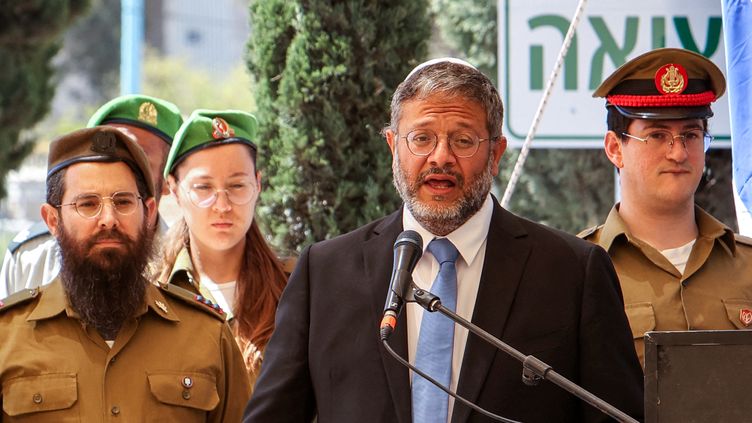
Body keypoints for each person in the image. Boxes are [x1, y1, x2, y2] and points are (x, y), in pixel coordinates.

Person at [243, 58, 643, 422]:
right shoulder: (324, 272)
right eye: (421, 138)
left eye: (463, 140)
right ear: (392, 147)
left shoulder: (571, 272)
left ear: (496, 153)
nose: (440, 157)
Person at [0, 126, 250, 421]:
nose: (108, 219)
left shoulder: (207, 335)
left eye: (123, 202)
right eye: (88, 204)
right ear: (53, 220)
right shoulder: (7, 338)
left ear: (149, 213)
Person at [579, 47, 752, 367]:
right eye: (657, 135)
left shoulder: (749, 267)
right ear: (615, 148)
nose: (678, 152)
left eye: (691, 134)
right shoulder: (574, 269)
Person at [0, 94, 183, 298]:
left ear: (169, 180)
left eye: (138, 162)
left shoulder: (184, 259)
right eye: (104, 160)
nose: (119, 172)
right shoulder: (32, 257)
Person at [158, 110, 288, 386]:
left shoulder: (297, 289)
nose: (222, 205)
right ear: (175, 189)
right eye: (203, 188)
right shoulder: (152, 294)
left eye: (237, 185)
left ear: (258, 184)